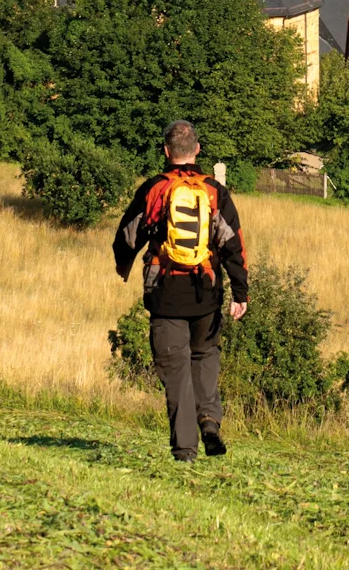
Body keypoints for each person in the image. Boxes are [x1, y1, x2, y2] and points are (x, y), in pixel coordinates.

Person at [112, 120, 248, 461]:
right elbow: (234, 244)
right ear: (197, 150)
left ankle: (186, 451)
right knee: (205, 355)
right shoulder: (215, 191)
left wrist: (123, 263)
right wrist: (240, 293)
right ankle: (210, 421)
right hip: (207, 293)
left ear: (166, 151)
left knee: (176, 372)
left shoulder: (155, 188)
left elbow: (128, 235)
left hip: (165, 294)